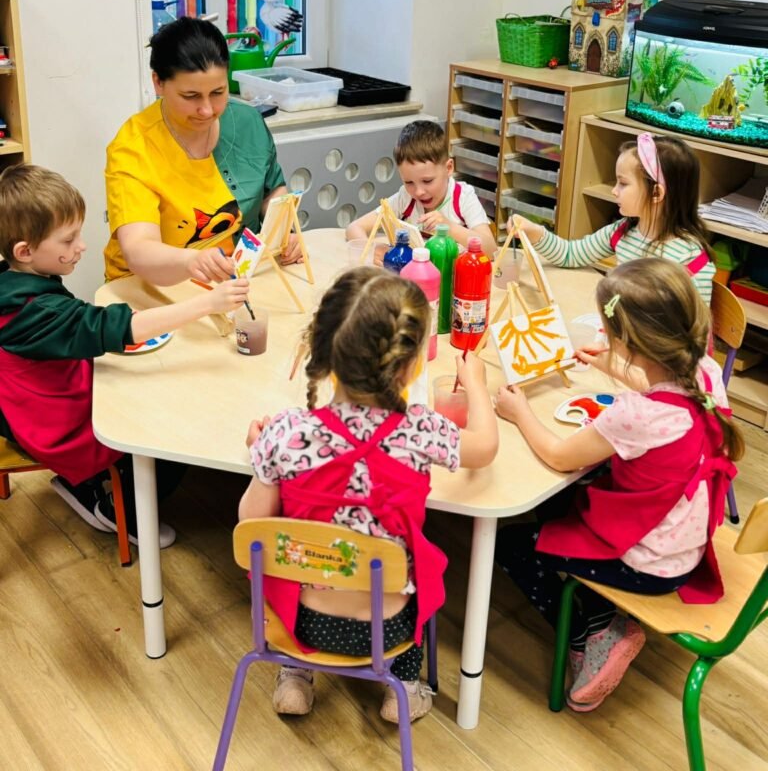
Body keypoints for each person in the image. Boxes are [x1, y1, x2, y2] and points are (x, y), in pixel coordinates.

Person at [238, 265, 498, 722]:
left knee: (296, 561)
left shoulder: (286, 432)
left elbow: (251, 527)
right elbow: (485, 447)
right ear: (411, 364)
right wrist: (475, 383)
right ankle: (404, 688)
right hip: (388, 626)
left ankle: (295, 674)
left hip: (303, 622)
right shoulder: (421, 429)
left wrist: (265, 458)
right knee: (413, 571)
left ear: (321, 349)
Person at [493, 257, 743, 712]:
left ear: (628, 341)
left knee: (510, 543)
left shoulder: (637, 414)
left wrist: (519, 411)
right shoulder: (704, 370)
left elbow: (558, 455)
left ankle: (591, 636)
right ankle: (601, 617)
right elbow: (662, 387)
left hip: (649, 564)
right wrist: (613, 367)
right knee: (566, 499)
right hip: (684, 539)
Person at [0, 165, 251, 545]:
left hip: (37, 400)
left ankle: (91, 485)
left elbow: (85, 326)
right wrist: (207, 303)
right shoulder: (34, 310)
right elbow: (112, 327)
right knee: (169, 425)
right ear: (25, 251)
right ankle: (121, 512)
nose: (82, 246)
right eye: (68, 240)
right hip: (56, 427)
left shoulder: (13, 282)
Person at [104, 16, 302, 285]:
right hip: (154, 284)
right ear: (158, 83)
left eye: (218, 92)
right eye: (191, 96)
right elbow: (139, 249)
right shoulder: (133, 148)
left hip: (234, 276)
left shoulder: (246, 122)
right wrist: (193, 262)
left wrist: (286, 232)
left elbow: (272, 191)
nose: (207, 110)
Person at [509, 133, 715, 304]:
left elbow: (693, 331)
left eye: (623, 184)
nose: (614, 191)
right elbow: (570, 255)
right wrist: (533, 230)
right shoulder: (622, 231)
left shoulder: (690, 260)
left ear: (656, 193)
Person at [346, 120, 496, 257]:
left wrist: (449, 227)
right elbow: (354, 227)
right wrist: (371, 250)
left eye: (427, 181)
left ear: (449, 168)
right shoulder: (405, 197)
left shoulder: (463, 197)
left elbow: (491, 250)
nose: (418, 192)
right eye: (409, 182)